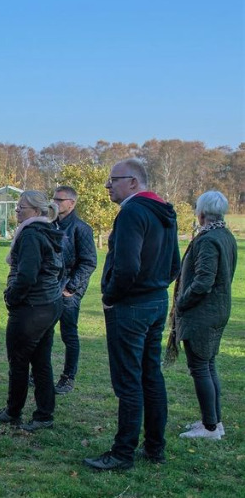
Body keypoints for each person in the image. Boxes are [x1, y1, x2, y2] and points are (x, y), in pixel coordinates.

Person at [84, 158, 180, 471]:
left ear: (133, 183)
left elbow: (126, 266)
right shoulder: (165, 211)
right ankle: (155, 447)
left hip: (132, 306)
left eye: (114, 179)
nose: (107, 185)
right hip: (155, 303)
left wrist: (111, 297)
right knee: (151, 376)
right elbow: (174, 265)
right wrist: (155, 288)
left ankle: (123, 453)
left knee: (129, 382)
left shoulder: (132, 212)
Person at [0, 191, 63, 432]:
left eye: (22, 207)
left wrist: (11, 297)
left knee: (19, 361)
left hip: (32, 308)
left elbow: (27, 275)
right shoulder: (48, 231)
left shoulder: (31, 234)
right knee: (42, 361)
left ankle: (13, 411)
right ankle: (44, 414)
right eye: (17, 207)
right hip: (49, 304)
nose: (17, 212)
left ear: (36, 211)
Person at [172, 191, 237, 440]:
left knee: (200, 367)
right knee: (208, 365)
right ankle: (213, 422)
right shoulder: (226, 236)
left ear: (201, 213)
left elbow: (203, 281)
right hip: (217, 310)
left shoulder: (208, 240)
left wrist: (181, 302)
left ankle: (209, 427)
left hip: (202, 313)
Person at [51, 186, 97, 394]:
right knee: (43, 331)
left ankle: (68, 377)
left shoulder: (81, 228)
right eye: (54, 199)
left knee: (69, 334)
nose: (56, 203)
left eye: (60, 200)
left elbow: (88, 262)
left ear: (72, 203)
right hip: (50, 286)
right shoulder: (51, 225)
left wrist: (71, 288)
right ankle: (39, 373)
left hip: (69, 289)